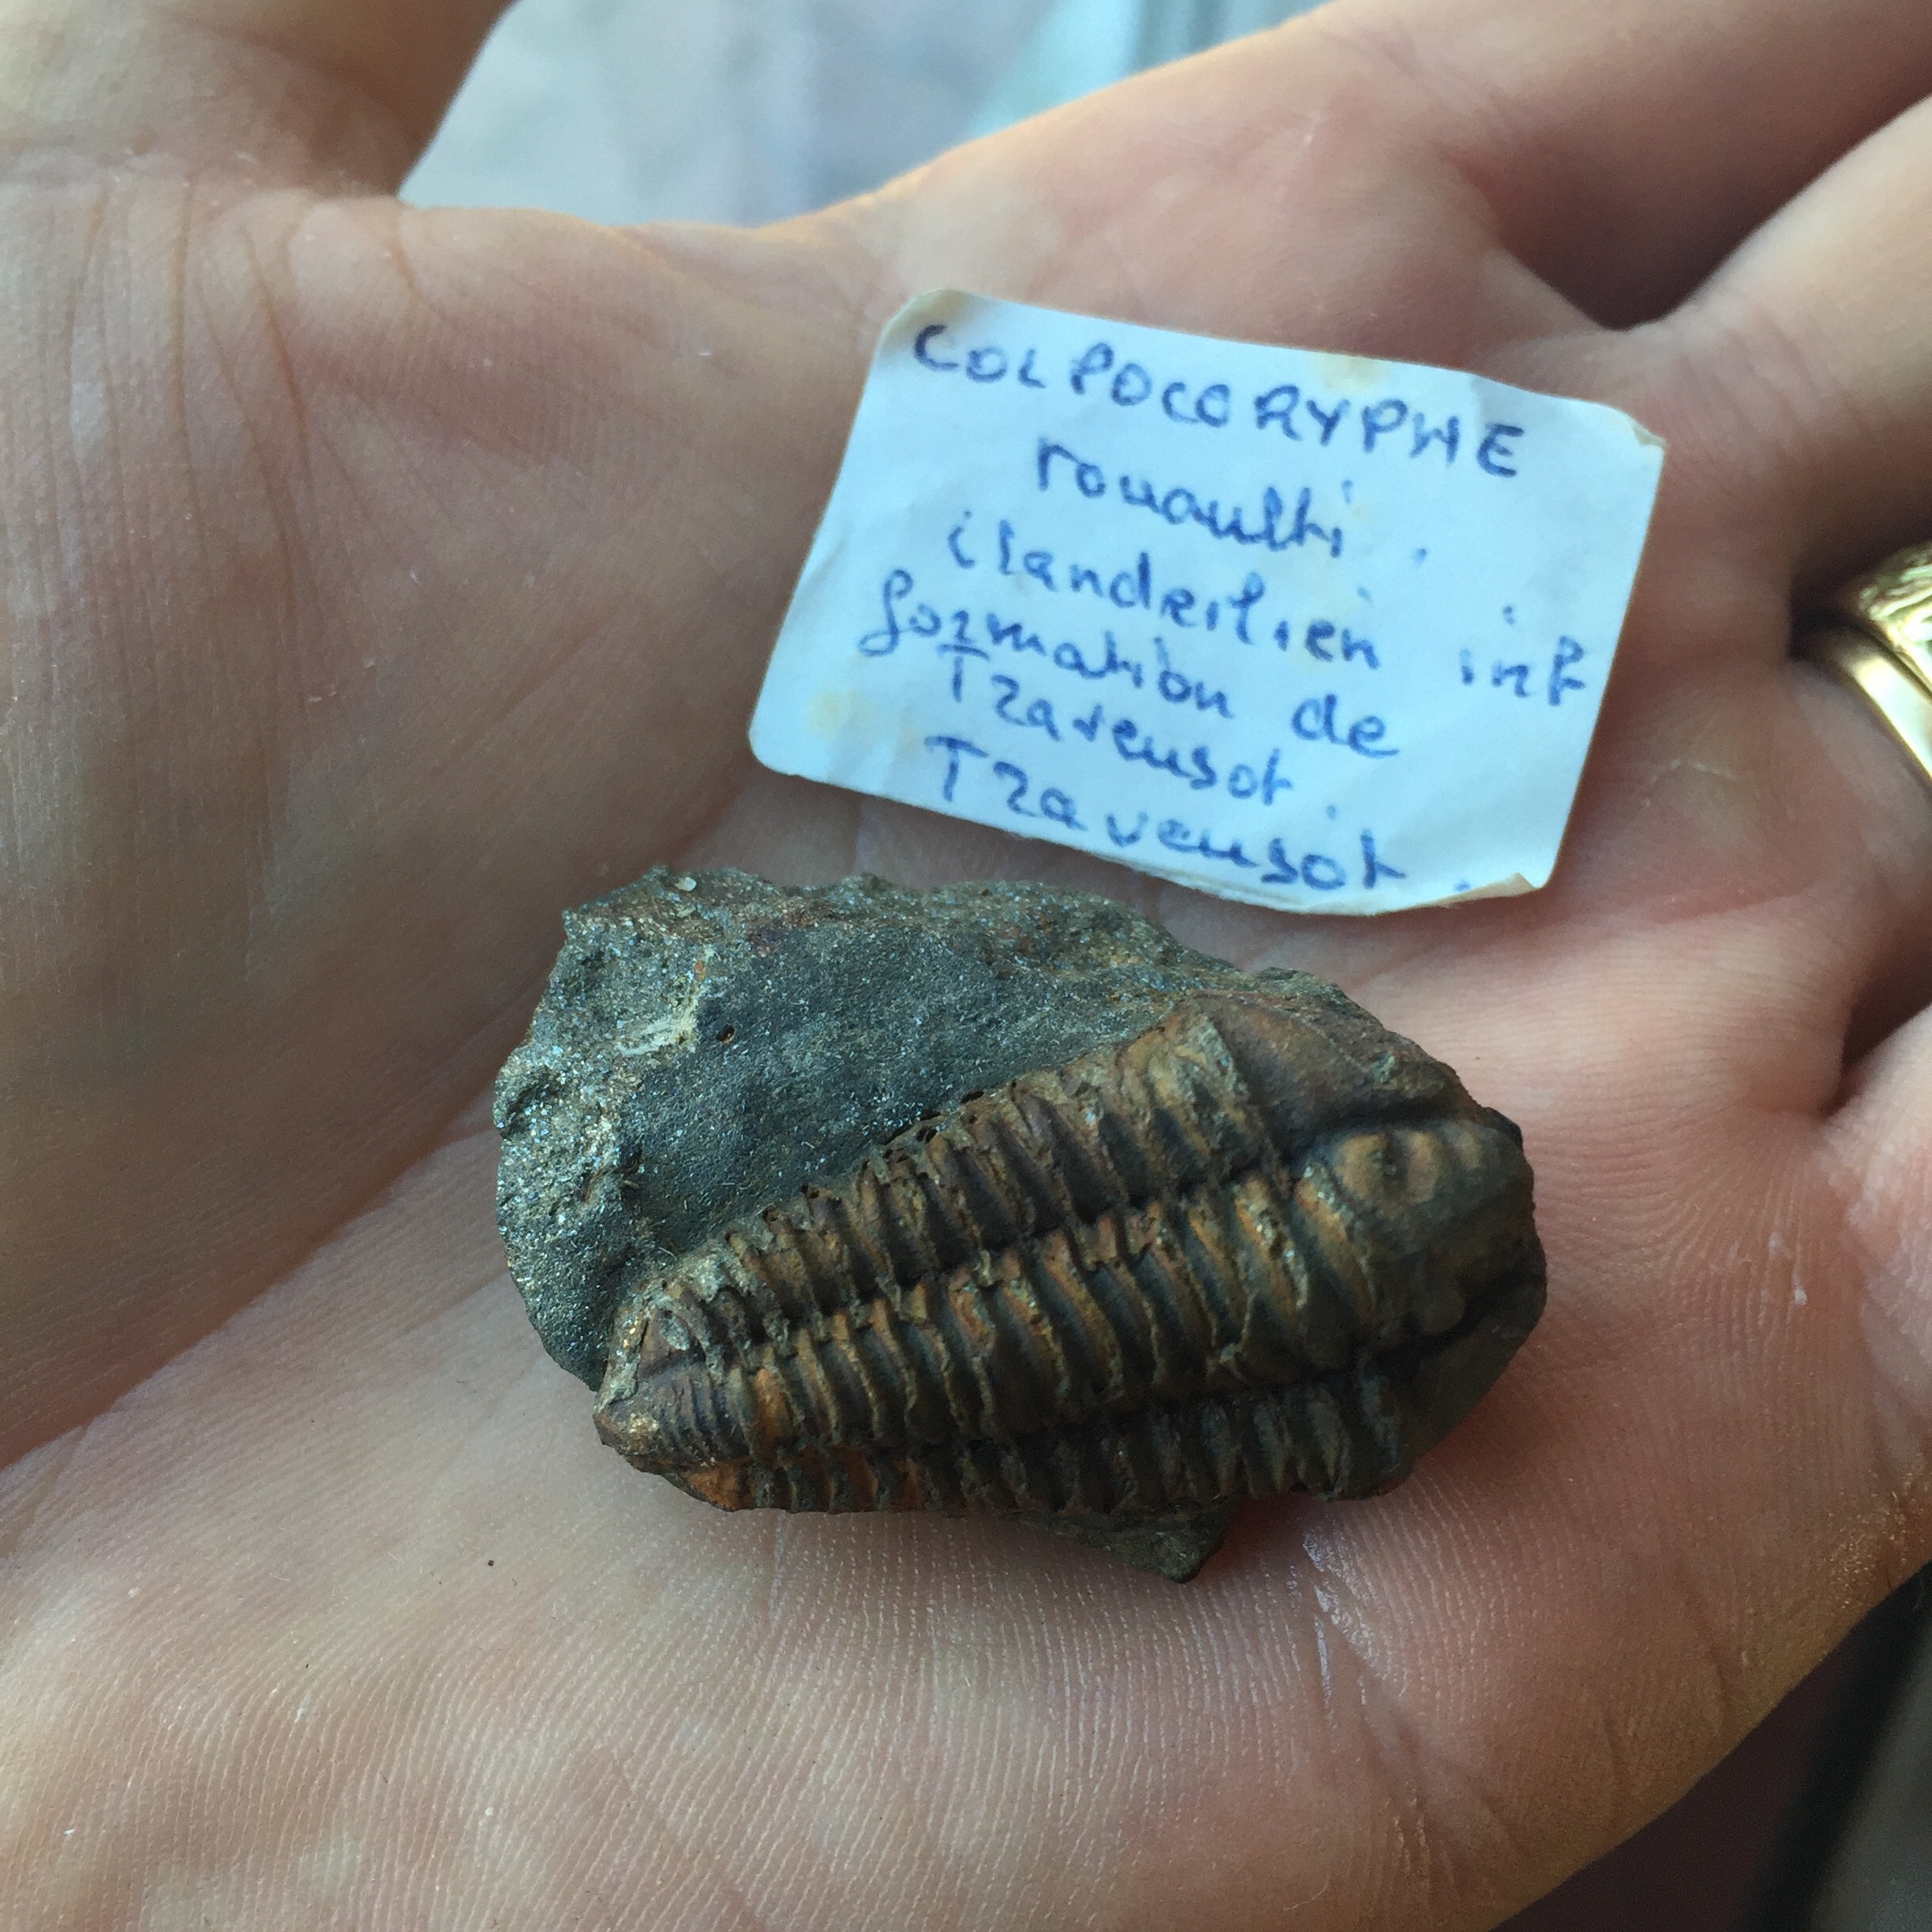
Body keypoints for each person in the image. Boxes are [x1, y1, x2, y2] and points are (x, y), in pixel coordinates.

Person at [2, 0, 1928, 1923]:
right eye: (1398, 1157)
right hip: (840, 1311)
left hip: (875, 1336)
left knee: (911, 1330)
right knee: (894, 1313)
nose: (1451, 1172)